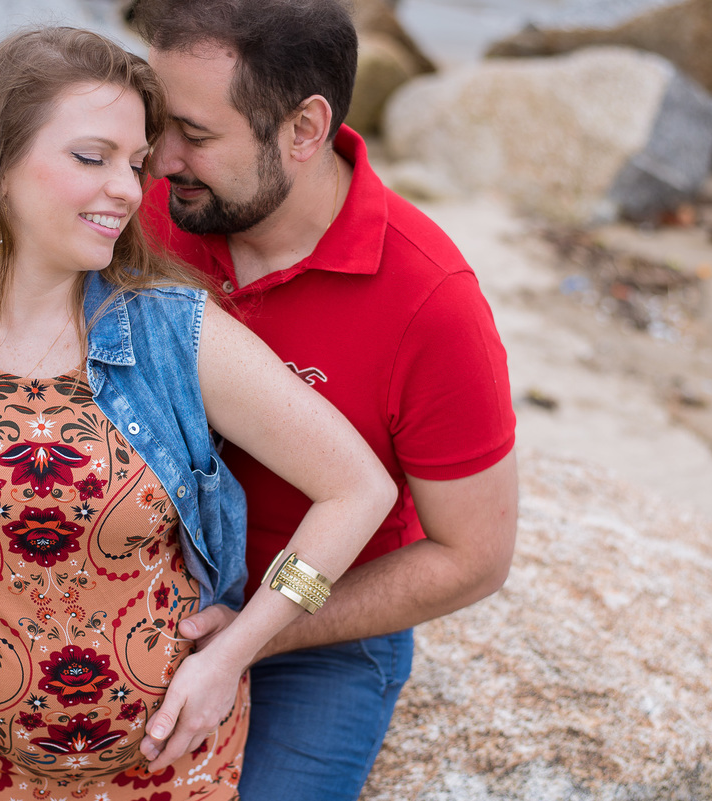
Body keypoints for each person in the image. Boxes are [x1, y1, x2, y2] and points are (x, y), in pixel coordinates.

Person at [0, 27, 396, 800]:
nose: (129, 188)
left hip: (169, 773)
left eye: (135, 163)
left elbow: (359, 489)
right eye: (92, 157)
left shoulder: (177, 331)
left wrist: (240, 647)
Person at [127, 1, 520, 798]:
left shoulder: (431, 302)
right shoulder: (139, 212)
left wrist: (259, 633)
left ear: (304, 129)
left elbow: (474, 556)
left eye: (195, 134)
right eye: (156, 123)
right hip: (132, 584)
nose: (160, 159)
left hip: (318, 627)